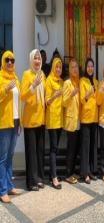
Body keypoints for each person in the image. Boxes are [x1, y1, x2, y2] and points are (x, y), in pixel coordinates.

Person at [21, 49, 45, 191]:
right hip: (30, 120)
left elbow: (46, 94)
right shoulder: (27, 74)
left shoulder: (42, 74)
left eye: (39, 59)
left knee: (39, 151)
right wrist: (33, 86)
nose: (37, 61)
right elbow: (23, 96)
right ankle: (31, 182)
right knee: (31, 152)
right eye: (35, 58)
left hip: (40, 119)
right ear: (31, 60)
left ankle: (39, 178)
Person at [0, 51, 21, 203]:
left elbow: (18, 101)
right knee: (3, 157)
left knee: (10, 155)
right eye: (7, 60)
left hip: (15, 120)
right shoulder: (0, 78)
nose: (9, 63)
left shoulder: (16, 78)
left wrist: (19, 121)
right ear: (3, 61)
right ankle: (2, 190)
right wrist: (5, 89)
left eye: (12, 60)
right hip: (4, 122)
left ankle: (9, 186)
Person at [45, 58, 63, 189]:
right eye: (56, 67)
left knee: (56, 148)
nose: (58, 69)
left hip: (60, 119)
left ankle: (53, 173)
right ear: (52, 67)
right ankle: (53, 177)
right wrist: (54, 96)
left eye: (60, 67)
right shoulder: (48, 80)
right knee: (53, 149)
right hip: (52, 119)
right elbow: (46, 101)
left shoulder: (62, 81)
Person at [80, 58, 99, 184]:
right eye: (88, 66)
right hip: (86, 118)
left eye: (92, 66)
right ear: (85, 68)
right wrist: (88, 94)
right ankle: (85, 173)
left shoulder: (96, 82)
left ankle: (91, 171)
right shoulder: (82, 81)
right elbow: (82, 99)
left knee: (93, 146)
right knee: (86, 147)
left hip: (95, 118)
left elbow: (98, 100)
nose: (90, 68)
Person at [63, 59, 80, 184]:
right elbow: (64, 102)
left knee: (75, 148)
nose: (75, 69)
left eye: (76, 67)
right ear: (69, 70)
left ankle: (73, 172)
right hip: (70, 121)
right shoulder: (67, 83)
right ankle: (68, 174)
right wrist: (72, 94)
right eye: (73, 67)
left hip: (78, 120)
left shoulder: (77, 82)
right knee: (70, 149)